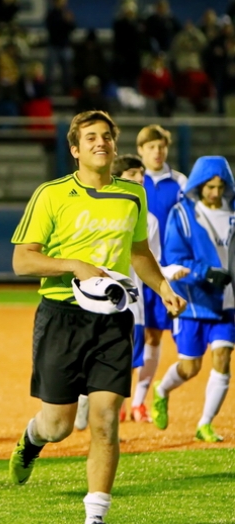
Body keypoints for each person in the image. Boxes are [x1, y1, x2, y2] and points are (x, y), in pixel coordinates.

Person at [8, 110, 185, 524]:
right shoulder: (50, 194)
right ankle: (31, 442)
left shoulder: (132, 195)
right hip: (61, 315)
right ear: (74, 149)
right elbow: (21, 260)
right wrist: (75, 265)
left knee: (105, 419)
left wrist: (163, 288)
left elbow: (139, 251)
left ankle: (95, 519)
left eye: (106, 136)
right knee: (58, 426)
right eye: (90, 138)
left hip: (114, 317)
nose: (100, 143)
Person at [73, 154, 189, 430]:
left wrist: (167, 279)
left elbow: (151, 261)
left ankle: (109, 420)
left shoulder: (147, 220)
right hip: (91, 297)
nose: (139, 178)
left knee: (121, 363)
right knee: (88, 354)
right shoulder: (93, 209)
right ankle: (82, 395)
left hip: (129, 302)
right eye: (131, 174)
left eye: (140, 174)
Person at [153, 156, 234, 443]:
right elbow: (174, 259)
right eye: (209, 186)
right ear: (199, 185)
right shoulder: (183, 214)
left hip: (228, 302)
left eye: (219, 186)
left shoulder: (233, 212)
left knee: (223, 358)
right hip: (195, 302)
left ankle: (205, 424)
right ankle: (162, 389)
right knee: (191, 367)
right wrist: (207, 273)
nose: (214, 192)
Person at [134, 124, 187, 423]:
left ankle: (140, 401)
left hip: (166, 272)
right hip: (133, 271)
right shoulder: (130, 183)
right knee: (132, 336)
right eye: (151, 146)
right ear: (140, 150)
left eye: (161, 146)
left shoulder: (180, 182)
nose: (157, 151)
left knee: (155, 336)